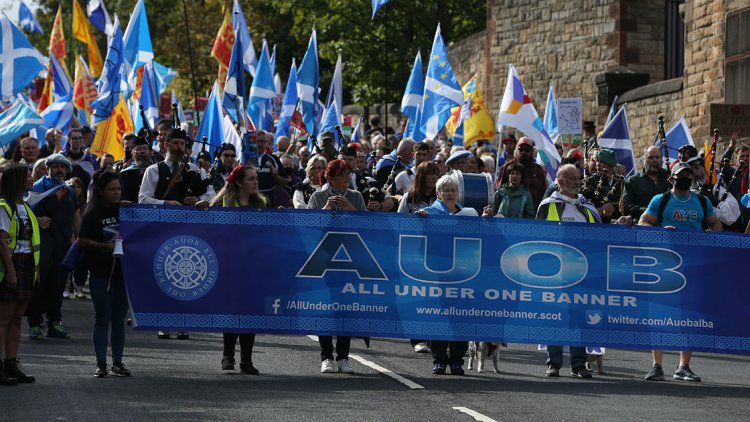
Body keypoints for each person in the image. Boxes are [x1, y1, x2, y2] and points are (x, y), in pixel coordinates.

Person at [639, 162, 721, 382]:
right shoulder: (661, 200)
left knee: (690, 315)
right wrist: (661, 232)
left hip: (693, 266)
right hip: (666, 265)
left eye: (688, 174)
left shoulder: (701, 201)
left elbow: (716, 225)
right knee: (660, 313)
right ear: (671, 179)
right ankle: (657, 365)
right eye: (680, 174)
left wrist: (708, 234)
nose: (685, 177)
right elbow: (644, 222)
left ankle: (684, 366)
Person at [138, 128, 214, 340]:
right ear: (166, 145)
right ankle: (163, 322)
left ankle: (183, 322)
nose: (179, 148)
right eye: (175, 144)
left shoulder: (195, 170)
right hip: (161, 231)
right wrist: (165, 203)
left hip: (189, 231)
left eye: (182, 144)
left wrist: (200, 199)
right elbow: (143, 199)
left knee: (185, 278)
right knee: (162, 275)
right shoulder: (153, 170)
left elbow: (211, 194)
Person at [536, 164, 600, 378]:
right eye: (572, 178)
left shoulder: (588, 207)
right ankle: (553, 362)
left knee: (579, 317)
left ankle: (579, 364)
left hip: (582, 273)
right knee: (554, 316)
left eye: (578, 177)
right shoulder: (547, 205)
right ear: (560, 182)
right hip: (554, 272)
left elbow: (602, 236)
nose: (577, 181)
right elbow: (537, 238)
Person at [307, 160, 367, 374]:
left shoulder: (356, 196)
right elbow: (310, 227)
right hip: (323, 261)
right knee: (325, 309)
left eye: (349, 174)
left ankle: (343, 357)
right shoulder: (317, 196)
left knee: (346, 309)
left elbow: (368, 227)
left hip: (349, 261)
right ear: (330, 177)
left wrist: (351, 209)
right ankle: (326, 356)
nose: (347, 178)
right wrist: (326, 209)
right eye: (342, 174)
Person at [415, 174, 477, 375]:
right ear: (438, 193)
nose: (450, 193)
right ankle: (439, 359)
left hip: (463, 273)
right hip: (437, 273)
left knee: (461, 316)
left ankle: (457, 359)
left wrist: (486, 221)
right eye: (446, 190)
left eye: (453, 190)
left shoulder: (468, 214)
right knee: (439, 316)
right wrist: (421, 221)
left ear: (458, 193)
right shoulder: (428, 213)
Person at [210, 165, 265, 375]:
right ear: (239, 182)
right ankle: (228, 356)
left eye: (256, 178)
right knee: (231, 311)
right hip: (228, 265)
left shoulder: (261, 203)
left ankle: (247, 360)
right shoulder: (222, 203)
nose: (255, 182)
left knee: (249, 312)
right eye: (250, 179)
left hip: (252, 266)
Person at [77, 170, 132, 378]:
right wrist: (104, 247)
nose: (116, 193)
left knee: (119, 319)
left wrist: (131, 209)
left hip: (123, 274)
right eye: (112, 189)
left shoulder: (125, 210)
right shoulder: (92, 214)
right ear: (100, 191)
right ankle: (101, 363)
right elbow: (82, 240)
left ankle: (118, 362)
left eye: (118, 189)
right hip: (100, 274)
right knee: (102, 318)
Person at [26, 154, 80, 340]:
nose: (59, 170)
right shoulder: (37, 187)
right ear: (47, 168)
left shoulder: (69, 190)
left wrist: (79, 237)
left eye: (62, 167)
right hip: (43, 244)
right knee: (39, 283)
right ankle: (35, 324)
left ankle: (54, 322)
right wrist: (37, 219)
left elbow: (75, 215)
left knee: (58, 283)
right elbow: (24, 212)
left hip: (63, 244)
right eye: (55, 166)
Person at [0, 165, 39, 385]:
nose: (32, 178)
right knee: (3, 319)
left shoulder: (25, 206)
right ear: (16, 180)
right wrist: (10, 271)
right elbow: (2, 241)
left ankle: (11, 363)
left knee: (16, 318)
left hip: (26, 264)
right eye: (28, 176)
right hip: (11, 265)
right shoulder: (4, 206)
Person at [397, 161, 439, 354]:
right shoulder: (410, 198)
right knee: (418, 296)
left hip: (438, 254)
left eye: (436, 173)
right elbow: (400, 224)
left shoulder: (443, 197)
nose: (433, 177)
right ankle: (417, 338)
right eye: (430, 173)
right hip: (414, 254)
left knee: (436, 297)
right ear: (421, 176)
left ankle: (434, 336)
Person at [622, 146, 671, 221]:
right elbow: (626, 207)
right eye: (650, 157)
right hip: (643, 226)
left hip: (667, 224)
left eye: (657, 157)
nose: (654, 160)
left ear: (662, 160)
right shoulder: (632, 181)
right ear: (644, 160)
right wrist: (649, 211)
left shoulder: (670, 178)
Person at [497, 137, 548, 209]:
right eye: (521, 149)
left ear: (532, 151)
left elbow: (544, 194)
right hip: (511, 214)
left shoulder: (538, 170)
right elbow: (499, 191)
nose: (523, 152)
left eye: (527, 149)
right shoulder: (507, 167)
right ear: (517, 150)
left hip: (533, 216)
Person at [581, 148, 623, 223]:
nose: (597, 164)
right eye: (597, 161)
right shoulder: (590, 181)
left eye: (602, 161)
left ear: (610, 165)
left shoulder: (620, 182)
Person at [119, 137, 152, 203]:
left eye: (145, 148)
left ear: (150, 152)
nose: (142, 151)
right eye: (138, 149)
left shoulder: (157, 170)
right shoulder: (125, 174)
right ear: (132, 154)